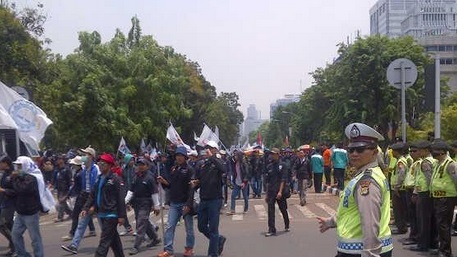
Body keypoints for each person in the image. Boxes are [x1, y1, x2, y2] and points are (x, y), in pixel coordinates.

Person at [317, 122, 393, 257]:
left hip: (360, 251)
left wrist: (370, 254)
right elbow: (352, 210)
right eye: (351, 150)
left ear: (374, 152)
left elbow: (370, 222)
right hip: (354, 250)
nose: (354, 154)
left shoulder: (367, 182)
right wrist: (332, 222)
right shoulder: (364, 175)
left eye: (361, 149)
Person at [82, 153, 126, 257]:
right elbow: (93, 195)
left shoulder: (115, 179)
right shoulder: (99, 178)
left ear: (110, 165)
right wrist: (86, 207)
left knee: (104, 243)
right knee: (114, 242)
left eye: (103, 164)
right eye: (100, 163)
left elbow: (120, 198)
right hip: (101, 213)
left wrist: (122, 216)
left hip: (111, 215)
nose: (101, 165)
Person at [157, 146, 195, 257]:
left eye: (181, 156)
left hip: (185, 203)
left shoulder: (189, 170)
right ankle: (168, 250)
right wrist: (163, 181)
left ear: (185, 157)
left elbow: (191, 189)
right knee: (170, 226)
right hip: (174, 203)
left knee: (189, 228)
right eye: (177, 155)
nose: (179, 158)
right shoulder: (173, 169)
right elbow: (170, 185)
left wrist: (188, 204)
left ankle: (189, 248)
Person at [61, 146, 99, 254]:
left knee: (104, 224)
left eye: (86, 154)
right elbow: (85, 188)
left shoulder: (95, 169)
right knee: (82, 223)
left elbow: (96, 188)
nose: (83, 156)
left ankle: (111, 242)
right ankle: (74, 245)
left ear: (91, 156)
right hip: (87, 197)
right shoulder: (85, 170)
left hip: (95, 198)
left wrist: (94, 205)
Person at [193, 140, 227, 257]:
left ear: (215, 150)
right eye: (207, 147)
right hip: (204, 198)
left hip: (215, 199)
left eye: (211, 148)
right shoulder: (202, 163)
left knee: (213, 229)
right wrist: (195, 183)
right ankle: (219, 240)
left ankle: (212, 253)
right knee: (201, 226)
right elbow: (199, 179)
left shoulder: (218, 161)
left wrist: (212, 157)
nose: (208, 149)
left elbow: (223, 169)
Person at [125, 157, 161, 255]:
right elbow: (131, 190)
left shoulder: (150, 177)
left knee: (140, 223)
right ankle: (155, 238)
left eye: (142, 164)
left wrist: (157, 206)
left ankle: (136, 246)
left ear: (147, 166)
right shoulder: (136, 176)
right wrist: (125, 201)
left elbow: (154, 192)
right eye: (138, 164)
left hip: (146, 202)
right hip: (136, 202)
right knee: (143, 221)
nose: (140, 166)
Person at [11, 156, 45, 257]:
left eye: (20, 166)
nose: (18, 168)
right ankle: (23, 254)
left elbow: (23, 189)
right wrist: (16, 178)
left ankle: (39, 255)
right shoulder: (19, 178)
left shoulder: (32, 178)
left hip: (31, 212)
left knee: (35, 238)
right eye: (17, 166)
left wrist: (15, 179)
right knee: (15, 235)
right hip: (20, 212)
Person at [408, 140, 438, 252]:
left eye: (420, 150)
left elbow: (428, 178)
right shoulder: (433, 160)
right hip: (429, 193)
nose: (418, 152)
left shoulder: (425, 162)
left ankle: (423, 244)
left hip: (425, 193)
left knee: (423, 220)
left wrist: (429, 192)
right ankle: (432, 243)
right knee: (430, 219)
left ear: (426, 150)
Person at [429, 139, 457, 257]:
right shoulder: (439, 163)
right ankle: (443, 248)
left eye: (435, 151)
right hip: (439, 197)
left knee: (444, 225)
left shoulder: (450, 164)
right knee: (440, 225)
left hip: (446, 198)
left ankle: (445, 251)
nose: (433, 153)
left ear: (442, 152)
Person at [264, 147, 290, 237]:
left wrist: (280, 191)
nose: (272, 156)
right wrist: (267, 194)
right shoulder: (269, 166)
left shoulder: (283, 165)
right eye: (271, 154)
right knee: (270, 211)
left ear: (278, 155)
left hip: (280, 191)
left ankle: (287, 224)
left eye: (274, 154)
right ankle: (271, 229)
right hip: (271, 191)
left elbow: (283, 179)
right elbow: (267, 181)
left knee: (283, 209)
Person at [389, 142, 408, 235]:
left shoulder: (401, 161)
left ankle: (401, 227)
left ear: (397, 152)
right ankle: (401, 226)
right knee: (399, 209)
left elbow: (401, 173)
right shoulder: (399, 160)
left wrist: (397, 187)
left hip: (399, 189)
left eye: (393, 151)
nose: (391, 152)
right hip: (399, 188)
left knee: (399, 210)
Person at [0, 154, 16, 256]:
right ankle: (14, 245)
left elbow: (16, 191)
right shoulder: (4, 174)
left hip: (10, 203)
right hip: (3, 202)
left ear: (6, 163)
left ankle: (15, 245)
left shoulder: (12, 175)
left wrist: (3, 190)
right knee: (8, 226)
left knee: (4, 224)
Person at [227, 150, 250, 215]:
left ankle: (246, 209)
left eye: (236, 155)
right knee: (233, 196)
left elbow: (247, 173)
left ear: (239, 156)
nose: (235, 157)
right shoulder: (235, 163)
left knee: (245, 197)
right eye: (234, 155)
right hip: (237, 182)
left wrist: (244, 182)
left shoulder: (244, 163)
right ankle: (232, 210)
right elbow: (229, 159)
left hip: (243, 183)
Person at [52, 155, 73, 222]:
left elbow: (70, 180)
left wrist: (69, 189)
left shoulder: (66, 169)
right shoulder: (57, 170)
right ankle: (71, 213)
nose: (57, 161)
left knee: (61, 203)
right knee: (63, 203)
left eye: (59, 159)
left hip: (65, 188)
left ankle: (60, 217)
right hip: (59, 188)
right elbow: (54, 179)